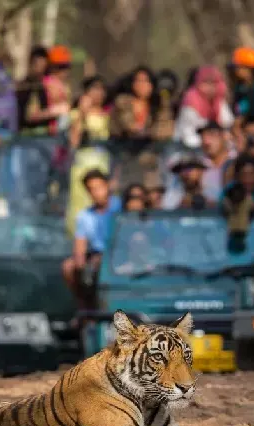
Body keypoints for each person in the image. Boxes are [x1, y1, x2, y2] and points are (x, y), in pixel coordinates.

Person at [62, 170, 122, 309]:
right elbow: (80, 246)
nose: (96, 192)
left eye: (99, 187)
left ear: (107, 186)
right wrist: (80, 263)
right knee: (69, 267)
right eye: (91, 189)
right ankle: (84, 308)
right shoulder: (84, 216)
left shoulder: (120, 206)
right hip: (96, 256)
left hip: (119, 254)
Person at [173, 65, 234, 149]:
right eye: (206, 82)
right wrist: (207, 141)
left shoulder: (219, 101)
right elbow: (187, 134)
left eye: (214, 83)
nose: (211, 87)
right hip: (189, 147)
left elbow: (227, 123)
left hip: (215, 145)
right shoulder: (191, 100)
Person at [16, 46, 62, 135]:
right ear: (30, 64)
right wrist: (54, 111)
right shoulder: (24, 86)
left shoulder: (46, 86)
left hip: (45, 134)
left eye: (43, 66)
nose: (39, 70)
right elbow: (30, 116)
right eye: (36, 65)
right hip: (26, 134)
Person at [109, 66, 162, 142]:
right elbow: (128, 125)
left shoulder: (157, 103)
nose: (142, 85)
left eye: (146, 81)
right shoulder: (123, 101)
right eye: (138, 81)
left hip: (149, 145)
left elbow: (164, 127)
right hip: (123, 144)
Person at [196, 120, 237, 202]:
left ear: (224, 137)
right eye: (203, 137)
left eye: (211, 135)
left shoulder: (237, 159)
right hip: (207, 212)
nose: (206, 142)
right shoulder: (198, 165)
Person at [69, 76, 110, 149]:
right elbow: (73, 141)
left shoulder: (108, 114)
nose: (100, 93)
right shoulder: (75, 114)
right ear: (86, 92)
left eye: (102, 89)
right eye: (95, 89)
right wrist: (82, 113)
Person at [43, 45, 73, 134]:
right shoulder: (47, 82)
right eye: (61, 67)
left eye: (66, 67)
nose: (64, 71)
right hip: (51, 128)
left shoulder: (63, 84)